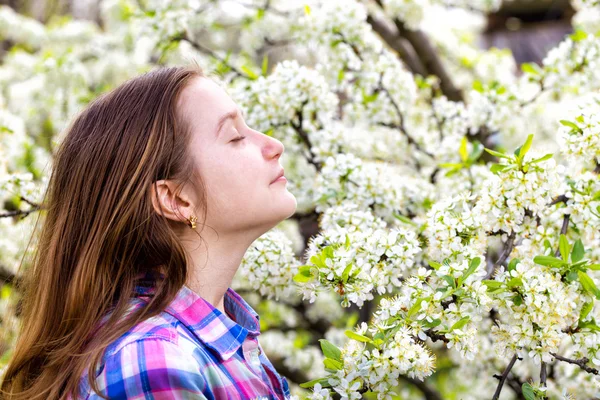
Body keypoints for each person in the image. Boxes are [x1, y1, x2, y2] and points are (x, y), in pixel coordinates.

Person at [0, 62, 297, 399]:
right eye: (235, 136)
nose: (273, 145)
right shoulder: (156, 362)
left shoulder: (221, 339)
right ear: (176, 199)